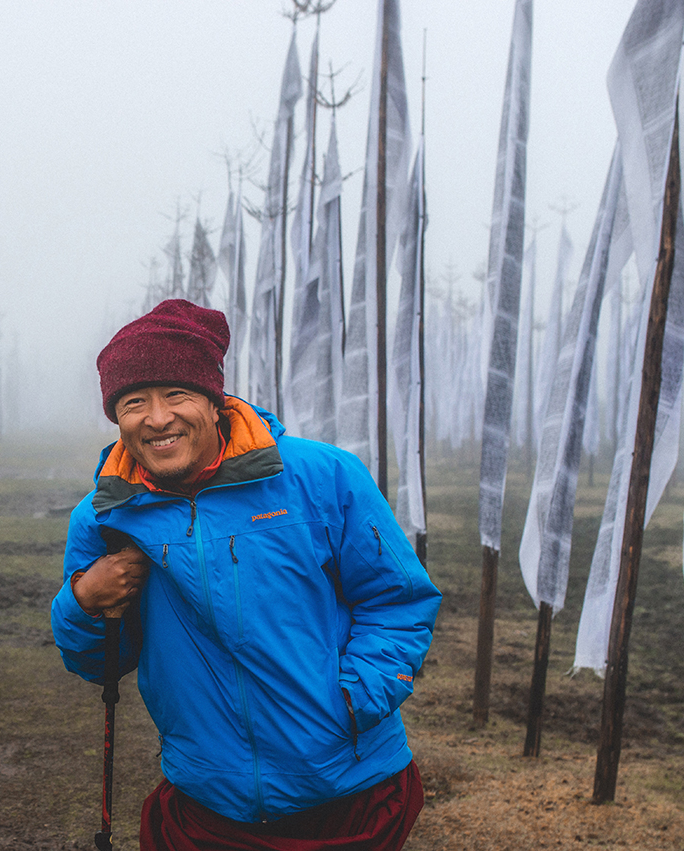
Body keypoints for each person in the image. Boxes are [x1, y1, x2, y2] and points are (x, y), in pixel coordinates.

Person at [50, 299, 441, 850]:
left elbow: (397, 599)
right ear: (117, 417)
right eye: (135, 402)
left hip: (350, 791)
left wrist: (355, 699)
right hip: (207, 803)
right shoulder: (105, 516)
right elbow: (100, 663)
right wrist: (84, 600)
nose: (158, 418)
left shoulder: (321, 478)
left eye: (176, 395)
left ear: (214, 402)